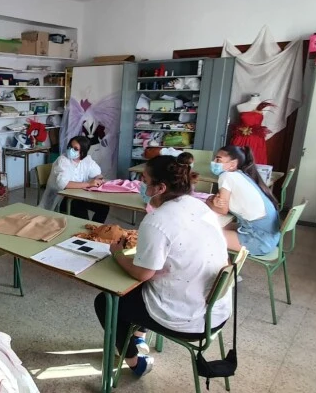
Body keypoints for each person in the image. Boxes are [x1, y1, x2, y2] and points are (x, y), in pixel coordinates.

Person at [95, 155, 230, 376]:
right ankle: (139, 338)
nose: (140, 184)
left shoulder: (158, 220)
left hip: (188, 319)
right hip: (215, 310)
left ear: (160, 187)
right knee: (146, 288)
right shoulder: (199, 206)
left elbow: (142, 274)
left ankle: (134, 362)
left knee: (106, 301)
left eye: (144, 180)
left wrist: (117, 254)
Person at [206, 145, 280, 256]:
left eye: (218, 159)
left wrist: (208, 201)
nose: (214, 162)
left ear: (232, 164)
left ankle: (227, 270)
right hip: (270, 236)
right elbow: (223, 203)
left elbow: (222, 210)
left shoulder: (226, 176)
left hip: (259, 240)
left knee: (206, 234)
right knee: (215, 225)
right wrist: (215, 200)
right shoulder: (242, 175)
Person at [39, 135, 107, 221]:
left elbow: (98, 174)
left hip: (80, 195)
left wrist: (99, 179)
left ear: (83, 152)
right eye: (70, 147)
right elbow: (63, 184)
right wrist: (89, 184)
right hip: (61, 197)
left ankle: (94, 229)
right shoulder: (63, 160)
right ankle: (85, 230)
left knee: (103, 207)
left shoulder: (87, 160)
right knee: (79, 207)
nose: (71, 150)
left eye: (75, 149)